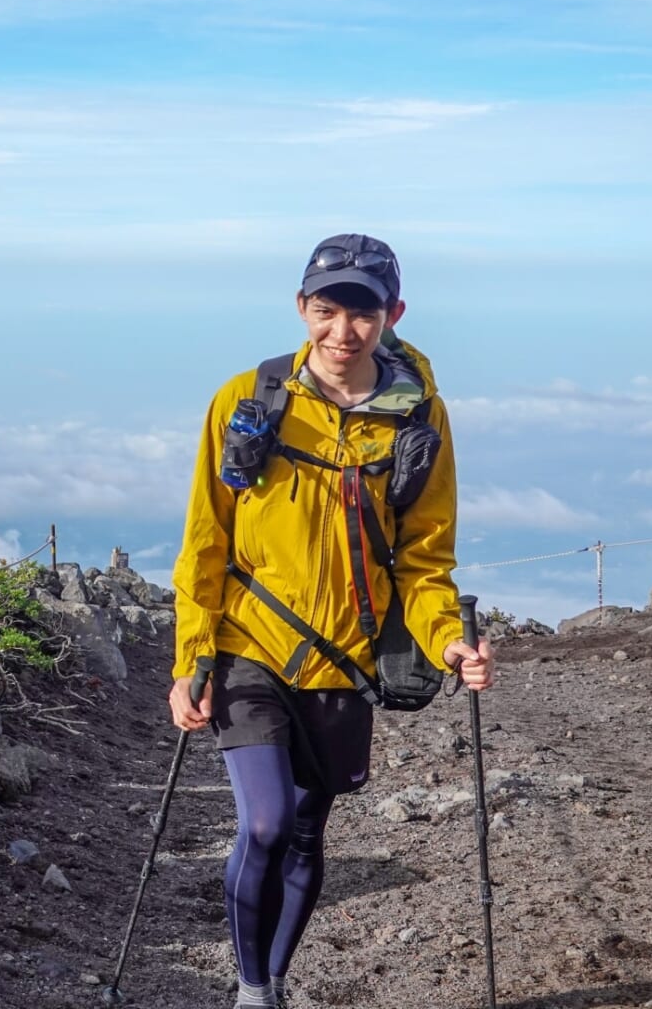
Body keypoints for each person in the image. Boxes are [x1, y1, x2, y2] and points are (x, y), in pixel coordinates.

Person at [168, 234, 495, 1009]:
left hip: (346, 660)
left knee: (309, 836)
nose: (341, 333)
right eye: (325, 312)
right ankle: (251, 993)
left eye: (362, 314)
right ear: (300, 310)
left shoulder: (420, 420)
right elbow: (204, 541)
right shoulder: (247, 400)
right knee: (268, 824)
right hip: (250, 646)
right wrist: (191, 657)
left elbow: (423, 560)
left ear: (394, 315)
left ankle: (274, 981)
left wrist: (451, 640)